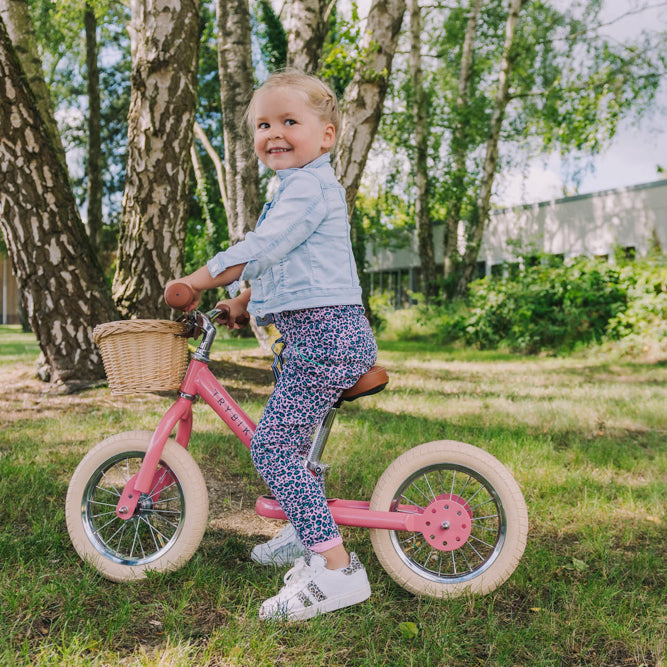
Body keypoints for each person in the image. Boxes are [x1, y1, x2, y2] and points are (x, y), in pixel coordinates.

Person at [166, 70, 377, 621]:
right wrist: (241, 300)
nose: (274, 133)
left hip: (325, 339)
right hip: (315, 337)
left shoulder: (309, 186)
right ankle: (307, 530)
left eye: (289, 122)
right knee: (293, 446)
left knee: (273, 448)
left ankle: (334, 569)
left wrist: (200, 279)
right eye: (264, 124)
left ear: (326, 136)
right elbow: (286, 260)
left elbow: (266, 244)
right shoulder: (294, 187)